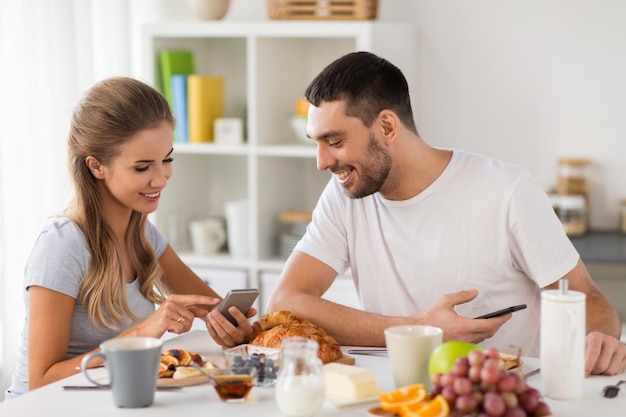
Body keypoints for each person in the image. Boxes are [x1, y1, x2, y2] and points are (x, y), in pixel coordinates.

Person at [266, 51, 626, 376]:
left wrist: (598, 342)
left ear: (387, 127)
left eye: (335, 142)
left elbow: (587, 297)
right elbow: (285, 301)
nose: (322, 162)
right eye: (316, 143)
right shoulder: (345, 195)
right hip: (395, 392)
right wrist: (420, 329)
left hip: (501, 396)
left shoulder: (507, 190)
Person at [5, 77, 256, 399]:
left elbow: (214, 310)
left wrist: (232, 326)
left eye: (167, 159)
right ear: (96, 166)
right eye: (142, 167)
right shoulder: (62, 245)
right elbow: (41, 380)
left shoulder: (143, 234)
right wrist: (144, 332)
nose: (161, 179)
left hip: (108, 401)